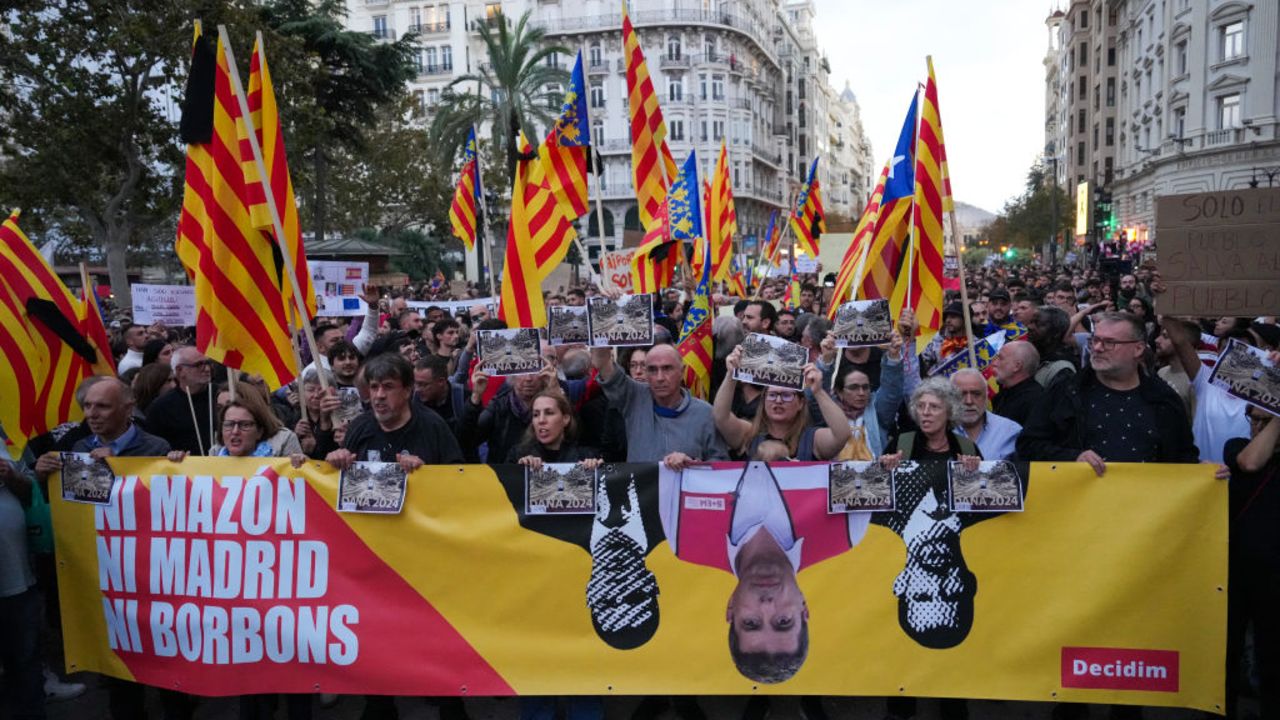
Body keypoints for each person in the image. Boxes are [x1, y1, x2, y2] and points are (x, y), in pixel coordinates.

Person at [36, 378, 185, 720]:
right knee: (120, 675)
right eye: (87, 406)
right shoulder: (75, 446)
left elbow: (171, 511)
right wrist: (44, 476)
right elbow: (72, 511)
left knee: (168, 671)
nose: (92, 414)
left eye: (101, 406)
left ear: (127, 408)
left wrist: (173, 465)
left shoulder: (155, 447)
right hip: (107, 580)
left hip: (154, 578)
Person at [878, 378, 987, 720]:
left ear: (949, 411)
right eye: (921, 407)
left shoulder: (967, 449)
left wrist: (975, 474)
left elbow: (985, 492)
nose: (926, 414)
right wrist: (886, 468)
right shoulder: (904, 443)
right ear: (967, 583)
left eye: (934, 408)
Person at [1018, 312, 1198, 475]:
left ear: (1138, 349)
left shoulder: (1163, 399)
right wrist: (1072, 458)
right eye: (1094, 340)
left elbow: (1183, 456)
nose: (1097, 348)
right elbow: (1028, 445)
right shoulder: (1066, 391)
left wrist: (1203, 473)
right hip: (1079, 505)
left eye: (1109, 342)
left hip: (1146, 507)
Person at [1223, 402, 1280, 720]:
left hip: (1274, 576)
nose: (1255, 426)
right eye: (1252, 419)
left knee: (1271, 654)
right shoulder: (1236, 447)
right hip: (1236, 573)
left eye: (1264, 421)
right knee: (1227, 654)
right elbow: (1251, 461)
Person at [590, 343, 728, 467]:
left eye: (667, 368)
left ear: (682, 372)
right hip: (641, 493)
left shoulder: (705, 413)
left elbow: (723, 466)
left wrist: (693, 464)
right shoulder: (633, 397)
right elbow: (602, 362)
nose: (660, 378)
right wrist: (601, 325)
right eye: (652, 370)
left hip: (684, 494)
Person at [713, 349, 850, 461]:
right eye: (772, 395)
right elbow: (720, 417)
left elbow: (842, 435)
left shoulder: (813, 439)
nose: (778, 401)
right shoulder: (749, 434)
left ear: (801, 403)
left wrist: (818, 391)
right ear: (764, 401)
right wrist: (731, 374)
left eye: (786, 395)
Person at [1, 424, 47, 720]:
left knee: (25, 654)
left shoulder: (10, 432)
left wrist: (11, 476)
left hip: (16, 569)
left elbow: (32, 488)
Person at [1161, 317, 1250, 464]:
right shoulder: (1205, 380)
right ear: (1218, 353)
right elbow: (1180, 341)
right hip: (1204, 477)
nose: (1234, 355)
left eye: (1242, 349)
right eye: (1226, 348)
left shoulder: (1265, 394)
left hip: (1245, 479)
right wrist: (1165, 302)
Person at [145, 346, 215, 455]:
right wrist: (171, 454)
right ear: (180, 371)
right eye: (199, 365)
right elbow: (153, 448)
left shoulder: (222, 396)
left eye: (208, 363)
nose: (207, 369)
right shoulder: (161, 408)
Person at [951, 369, 1021, 461]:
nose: (969, 401)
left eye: (976, 394)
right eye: (961, 394)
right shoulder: (937, 431)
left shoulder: (1011, 431)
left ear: (986, 396)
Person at [990, 340, 1044, 427]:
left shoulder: (1034, 402)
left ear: (1017, 366)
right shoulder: (1004, 394)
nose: (994, 363)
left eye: (1000, 358)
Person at [414, 355, 466, 437]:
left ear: (441, 381)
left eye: (423, 384)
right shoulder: (413, 401)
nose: (417, 389)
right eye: (415, 383)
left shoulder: (463, 398)